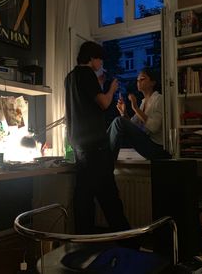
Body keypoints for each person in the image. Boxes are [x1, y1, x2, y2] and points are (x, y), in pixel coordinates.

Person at [64, 41, 130, 235]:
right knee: (109, 197)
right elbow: (103, 103)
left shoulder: (70, 77)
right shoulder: (87, 74)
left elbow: (85, 101)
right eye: (99, 58)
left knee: (84, 195)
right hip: (95, 145)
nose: (101, 63)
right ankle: (128, 242)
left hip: (79, 144)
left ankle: (84, 242)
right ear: (92, 58)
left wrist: (99, 86)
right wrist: (111, 88)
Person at [107, 68, 171, 161]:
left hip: (157, 148)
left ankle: (107, 162)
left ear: (153, 82)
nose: (138, 82)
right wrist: (123, 112)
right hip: (147, 145)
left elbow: (154, 127)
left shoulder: (159, 99)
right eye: (137, 80)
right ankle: (105, 157)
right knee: (118, 121)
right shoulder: (143, 103)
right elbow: (131, 125)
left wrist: (135, 108)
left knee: (118, 121)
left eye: (142, 79)